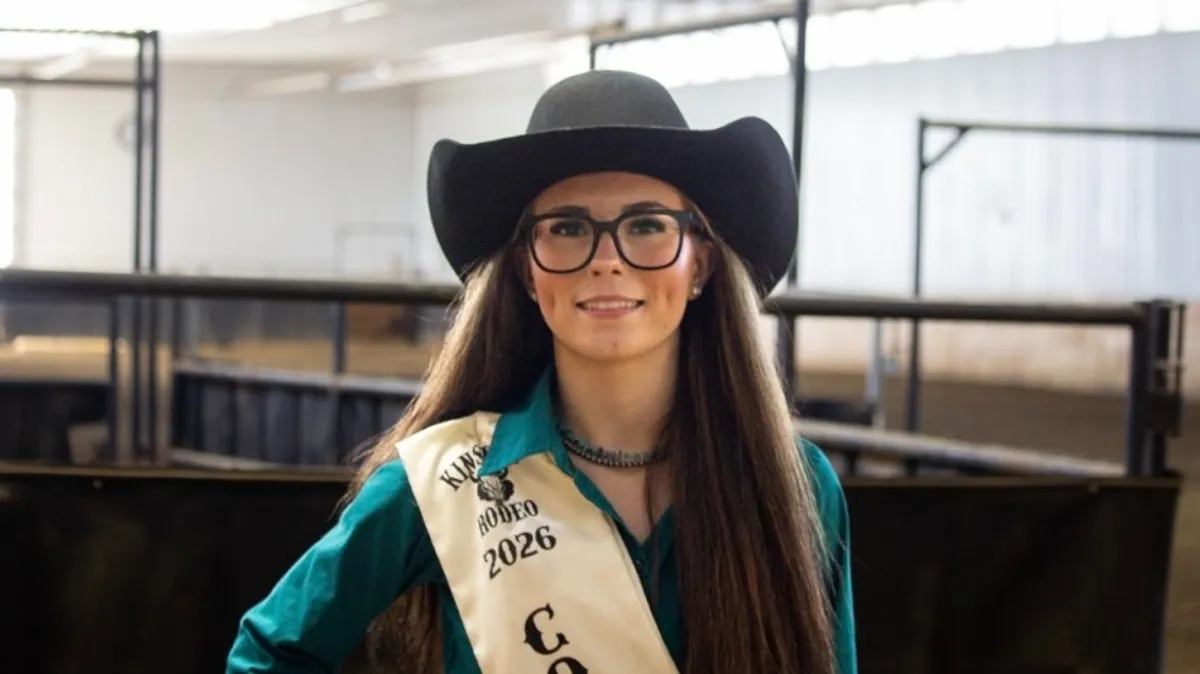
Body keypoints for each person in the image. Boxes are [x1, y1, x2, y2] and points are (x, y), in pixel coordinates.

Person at [227, 69, 856, 674]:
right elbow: (269, 653)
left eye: (646, 225)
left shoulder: (791, 484)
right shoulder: (446, 482)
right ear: (527, 270)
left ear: (700, 265)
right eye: (567, 228)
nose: (607, 260)